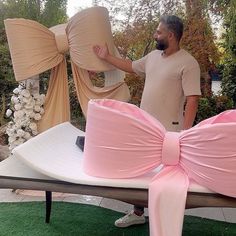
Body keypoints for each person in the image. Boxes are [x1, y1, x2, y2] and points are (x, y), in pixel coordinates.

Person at [93, 15, 201, 228]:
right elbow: (130, 66)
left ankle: (167, 215)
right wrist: (106, 57)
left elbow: (193, 100)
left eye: (159, 32)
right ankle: (137, 212)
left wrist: (185, 134)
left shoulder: (188, 63)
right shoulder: (152, 57)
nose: (155, 35)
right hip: (145, 128)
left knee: (167, 176)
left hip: (170, 133)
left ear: (171, 35)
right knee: (139, 171)